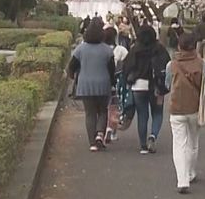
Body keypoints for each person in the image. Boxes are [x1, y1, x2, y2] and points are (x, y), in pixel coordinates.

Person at [167, 33, 205, 193]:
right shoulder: (203, 64)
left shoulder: (171, 64)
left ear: (179, 46)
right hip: (195, 108)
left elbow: (167, 85)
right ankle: (191, 172)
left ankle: (182, 179)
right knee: (193, 142)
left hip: (177, 108)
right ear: (195, 46)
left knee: (179, 144)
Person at [123, 24, 171, 154]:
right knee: (158, 113)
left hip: (139, 85)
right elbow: (168, 66)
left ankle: (143, 146)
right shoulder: (159, 49)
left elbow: (126, 67)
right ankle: (153, 136)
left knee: (142, 115)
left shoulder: (135, 49)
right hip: (157, 86)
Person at [68, 23, 116, 151]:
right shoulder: (107, 50)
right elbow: (112, 70)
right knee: (102, 111)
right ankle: (100, 134)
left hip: (85, 85)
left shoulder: (80, 49)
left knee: (90, 113)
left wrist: (72, 76)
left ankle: (92, 143)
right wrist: (113, 84)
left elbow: (71, 66)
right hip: (103, 84)